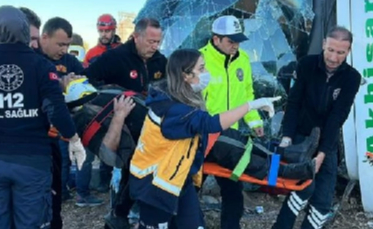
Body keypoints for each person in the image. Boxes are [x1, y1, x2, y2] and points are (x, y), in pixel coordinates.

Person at [129, 48, 278, 229]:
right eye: (201, 69)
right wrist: (250, 106)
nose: (207, 73)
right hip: (155, 185)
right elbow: (210, 124)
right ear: (185, 75)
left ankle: (291, 158)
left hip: (178, 178)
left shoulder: (178, 97)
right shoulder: (172, 109)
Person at [0, 5, 86, 229]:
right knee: (31, 223)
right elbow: (56, 109)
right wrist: (74, 138)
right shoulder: (40, 65)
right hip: (32, 160)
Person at [271, 26, 362, 229]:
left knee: (323, 198)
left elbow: (338, 116)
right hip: (301, 135)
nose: (334, 57)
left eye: (340, 52)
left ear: (348, 51)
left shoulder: (351, 77)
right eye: (330, 50)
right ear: (324, 45)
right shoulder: (306, 65)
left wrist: (322, 152)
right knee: (302, 188)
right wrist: (287, 137)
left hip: (327, 140)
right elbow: (293, 103)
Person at [83, 18, 167, 229]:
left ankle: (140, 214)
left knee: (142, 173)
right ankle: (117, 216)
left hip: (149, 130)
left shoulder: (160, 61)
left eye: (158, 42)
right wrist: (109, 105)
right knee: (121, 174)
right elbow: (87, 82)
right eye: (150, 41)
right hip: (121, 129)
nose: (154, 46)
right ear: (135, 37)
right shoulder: (115, 57)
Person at [199, 15, 263, 229]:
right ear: (216, 39)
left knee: (233, 191)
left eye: (238, 40)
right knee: (188, 189)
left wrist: (254, 121)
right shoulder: (199, 61)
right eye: (230, 41)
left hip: (229, 139)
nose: (235, 45)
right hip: (201, 137)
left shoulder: (243, 59)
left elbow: (247, 93)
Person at [40, 17, 104, 207]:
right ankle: (59, 193)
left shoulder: (70, 60)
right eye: (60, 44)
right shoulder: (35, 60)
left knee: (78, 155)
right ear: (45, 37)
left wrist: (78, 81)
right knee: (60, 160)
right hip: (45, 123)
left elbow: (87, 81)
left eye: (67, 45)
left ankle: (80, 193)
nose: (64, 50)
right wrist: (58, 85)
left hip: (71, 118)